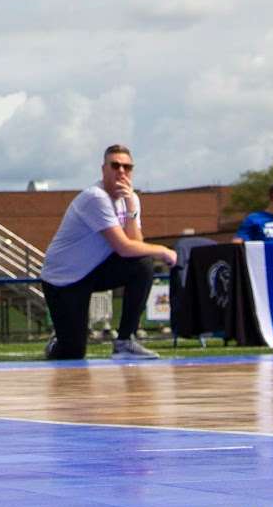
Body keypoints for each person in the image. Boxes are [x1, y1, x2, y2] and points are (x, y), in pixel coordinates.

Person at [39, 146, 176, 361]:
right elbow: (123, 247)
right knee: (73, 353)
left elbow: (136, 245)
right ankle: (57, 341)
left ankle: (125, 341)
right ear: (104, 169)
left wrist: (131, 207)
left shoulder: (131, 200)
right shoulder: (96, 198)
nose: (121, 171)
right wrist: (164, 250)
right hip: (63, 279)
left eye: (127, 167)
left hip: (93, 269)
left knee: (142, 265)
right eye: (115, 165)